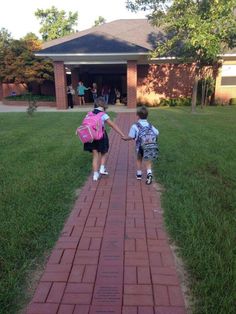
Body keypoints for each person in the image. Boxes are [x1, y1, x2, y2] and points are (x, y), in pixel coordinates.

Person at [84, 97, 126, 181]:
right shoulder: (103, 115)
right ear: (104, 105)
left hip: (91, 137)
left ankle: (95, 175)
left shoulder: (89, 113)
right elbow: (113, 125)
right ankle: (102, 168)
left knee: (95, 156)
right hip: (101, 136)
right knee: (104, 152)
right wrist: (122, 134)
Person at [123, 106, 159, 185]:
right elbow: (157, 132)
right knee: (148, 161)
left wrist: (125, 138)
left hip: (140, 147)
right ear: (147, 115)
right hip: (149, 146)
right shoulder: (150, 125)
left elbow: (131, 136)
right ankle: (149, 173)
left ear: (137, 115)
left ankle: (139, 174)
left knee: (139, 159)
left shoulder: (135, 126)